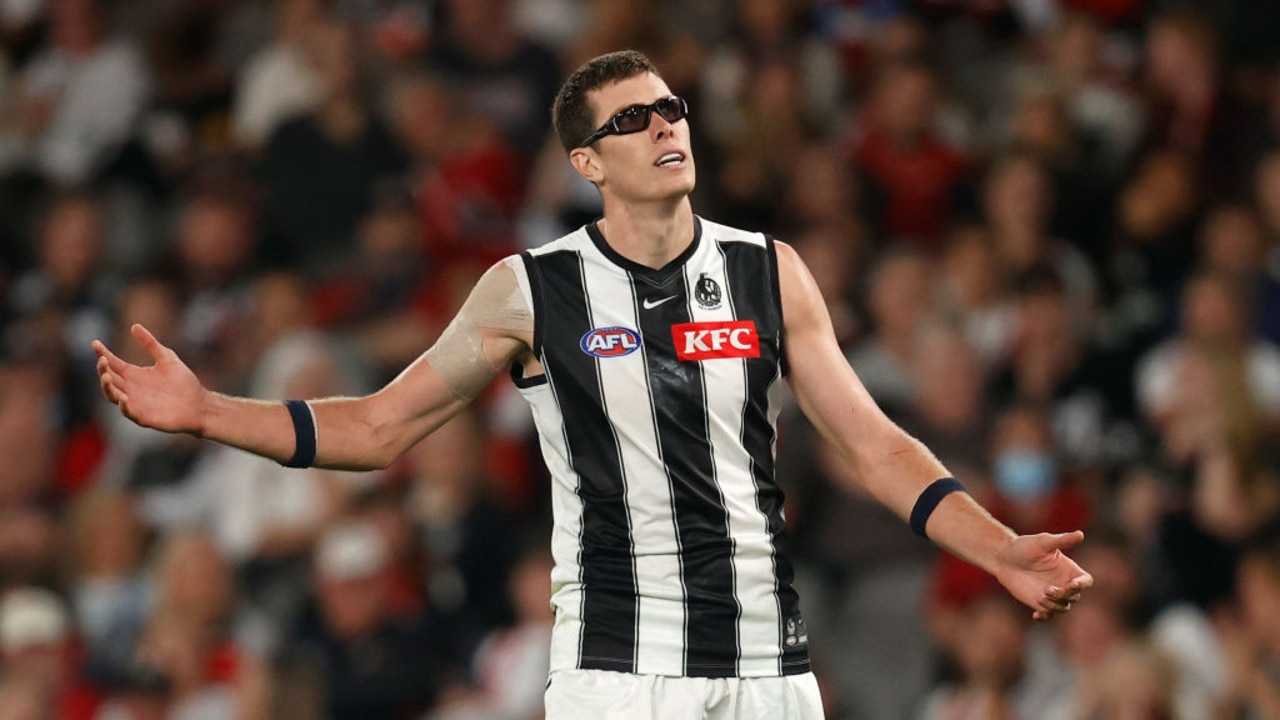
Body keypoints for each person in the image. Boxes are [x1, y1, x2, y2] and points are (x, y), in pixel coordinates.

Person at [93, 50, 1092, 719]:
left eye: (670, 108)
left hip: (760, 656)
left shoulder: (767, 269)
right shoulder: (529, 291)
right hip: (618, 665)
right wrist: (206, 410)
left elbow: (874, 447)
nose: (664, 125)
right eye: (633, 118)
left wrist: (997, 547)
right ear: (586, 161)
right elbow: (375, 426)